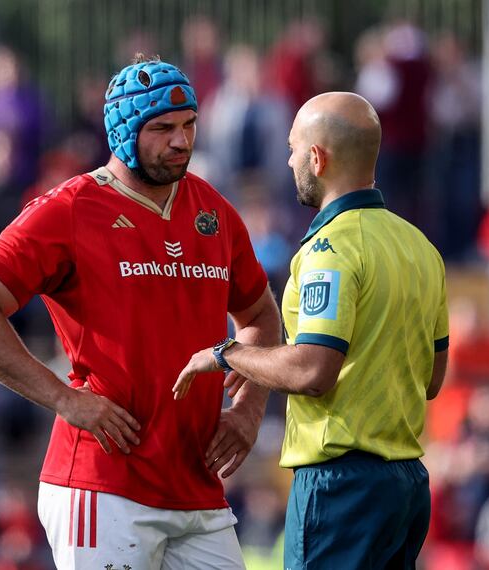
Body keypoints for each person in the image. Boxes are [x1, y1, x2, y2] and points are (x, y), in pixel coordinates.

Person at [0, 54, 281, 569]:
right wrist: (64, 399)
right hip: (103, 486)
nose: (182, 141)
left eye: (190, 124)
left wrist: (250, 410)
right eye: (163, 128)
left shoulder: (214, 211)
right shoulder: (70, 208)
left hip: (198, 488)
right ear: (124, 131)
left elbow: (260, 315)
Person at [174, 92, 449, 569]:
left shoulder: (329, 249)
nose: (288, 159)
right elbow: (432, 379)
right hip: (405, 486)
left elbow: (313, 371)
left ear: (316, 159)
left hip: (341, 488)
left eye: (293, 148)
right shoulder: (421, 247)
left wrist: (226, 353)